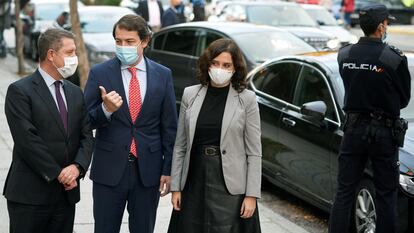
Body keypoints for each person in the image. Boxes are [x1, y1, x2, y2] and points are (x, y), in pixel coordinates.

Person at [84, 14, 177, 233]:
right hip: (109, 169)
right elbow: (84, 121)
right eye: (118, 41)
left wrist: (168, 168)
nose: (122, 46)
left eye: (129, 42)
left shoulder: (163, 75)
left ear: (145, 41)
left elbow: (170, 127)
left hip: (148, 171)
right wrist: (105, 110)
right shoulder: (100, 73)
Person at [329, 4, 411, 233]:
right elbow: (404, 99)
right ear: (380, 26)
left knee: (344, 192)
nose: (387, 27)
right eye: (387, 23)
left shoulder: (344, 54)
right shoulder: (393, 58)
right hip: (384, 134)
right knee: (386, 194)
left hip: (353, 130)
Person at [3, 28, 93, 233]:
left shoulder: (75, 92)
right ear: (51, 55)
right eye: (70, 52)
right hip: (30, 195)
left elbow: (86, 135)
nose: (75, 58)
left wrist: (77, 168)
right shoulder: (20, 91)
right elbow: (27, 140)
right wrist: (59, 173)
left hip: (66, 196)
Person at [168, 38, 262, 233]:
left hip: (230, 185)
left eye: (226, 65)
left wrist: (251, 195)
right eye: (215, 63)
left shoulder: (247, 99)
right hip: (194, 179)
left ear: (235, 68)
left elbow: (254, 152)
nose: (220, 69)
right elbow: (180, 146)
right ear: (207, 64)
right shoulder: (190, 94)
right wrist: (176, 187)